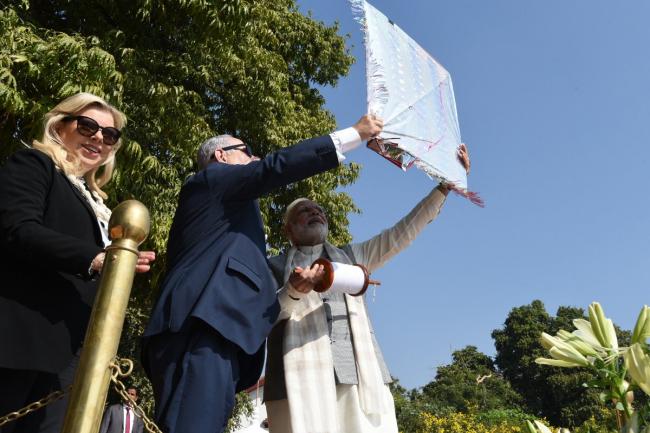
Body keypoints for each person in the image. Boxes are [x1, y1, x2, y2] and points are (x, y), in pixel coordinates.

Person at [142, 115, 383, 433]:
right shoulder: (212, 179)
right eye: (246, 151)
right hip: (202, 325)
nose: (255, 157)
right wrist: (355, 134)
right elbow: (273, 167)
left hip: (219, 331)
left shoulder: (230, 208)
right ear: (221, 156)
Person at [263, 145, 471, 433]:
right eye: (304, 211)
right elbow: (258, 320)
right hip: (295, 384)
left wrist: (444, 188)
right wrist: (293, 292)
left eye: (319, 210)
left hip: (360, 380)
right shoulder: (271, 267)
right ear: (288, 230)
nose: (315, 212)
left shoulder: (351, 256)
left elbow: (401, 234)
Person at [0, 93, 155, 433]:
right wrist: (95, 258)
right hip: (19, 341)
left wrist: (117, 264)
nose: (98, 137)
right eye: (87, 126)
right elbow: (18, 229)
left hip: (71, 352)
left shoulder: (97, 202)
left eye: (109, 135)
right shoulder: (35, 164)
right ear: (59, 126)